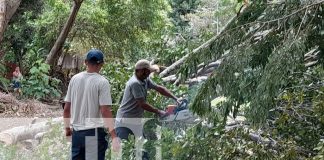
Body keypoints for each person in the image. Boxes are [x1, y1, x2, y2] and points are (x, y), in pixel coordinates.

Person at [115, 59, 181, 159]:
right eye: (148, 71)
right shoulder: (134, 83)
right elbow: (142, 104)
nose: (150, 73)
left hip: (135, 121)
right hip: (124, 123)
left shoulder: (145, 79)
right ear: (141, 71)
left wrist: (175, 98)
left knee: (142, 152)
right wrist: (159, 111)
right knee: (124, 152)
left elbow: (159, 89)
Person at [63, 49, 120, 160]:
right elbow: (105, 111)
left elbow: (66, 109)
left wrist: (67, 129)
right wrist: (114, 136)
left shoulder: (74, 79)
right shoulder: (102, 82)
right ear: (101, 64)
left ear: (85, 62)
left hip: (77, 134)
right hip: (94, 134)